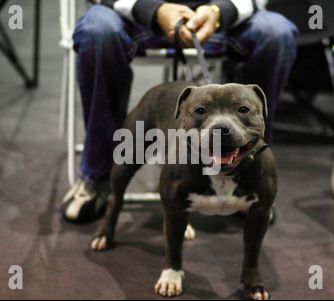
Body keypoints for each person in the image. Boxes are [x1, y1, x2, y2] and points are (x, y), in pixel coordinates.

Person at [61, 0, 298, 223]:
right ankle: (97, 177)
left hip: (215, 21)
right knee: (97, 30)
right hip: (133, 17)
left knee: (276, 31)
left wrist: (218, 12)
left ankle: (251, 179)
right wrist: (153, 9)